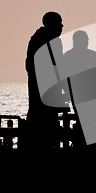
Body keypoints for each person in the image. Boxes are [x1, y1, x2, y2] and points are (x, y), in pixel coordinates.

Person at [61, 30, 96, 150]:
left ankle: (82, 149)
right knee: (94, 124)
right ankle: (93, 150)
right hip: (91, 95)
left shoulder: (67, 56)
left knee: (83, 123)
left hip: (77, 96)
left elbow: (62, 78)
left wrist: (67, 92)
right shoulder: (91, 55)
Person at [25, 11, 64, 151]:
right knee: (43, 123)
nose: (62, 26)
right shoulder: (45, 40)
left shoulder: (38, 38)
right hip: (44, 92)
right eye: (59, 23)